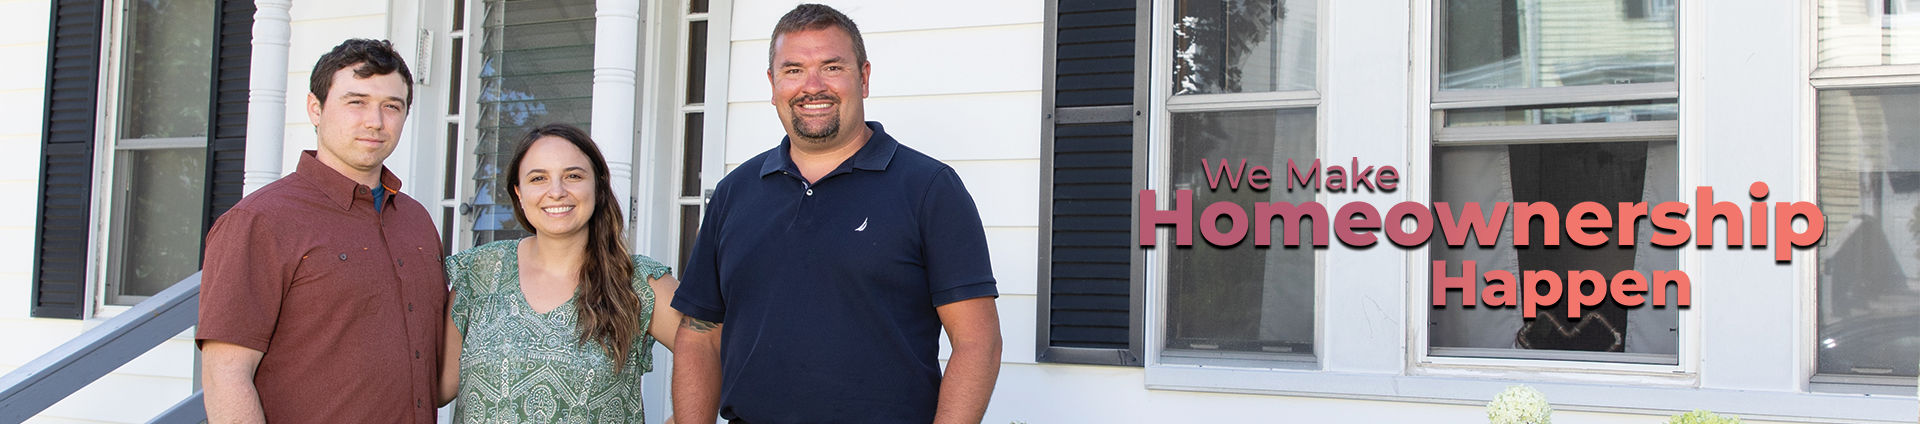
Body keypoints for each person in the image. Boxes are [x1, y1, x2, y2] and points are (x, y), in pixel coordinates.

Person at [671, 4, 1003, 423]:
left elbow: (977, 342)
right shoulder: (734, 193)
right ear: (772, 84)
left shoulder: (929, 189)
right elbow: (699, 335)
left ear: (863, 78)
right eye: (793, 70)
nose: (812, 86)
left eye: (831, 67)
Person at [198, 39, 445, 423]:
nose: (375, 121)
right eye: (356, 102)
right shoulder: (261, 221)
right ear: (316, 108)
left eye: (391, 106)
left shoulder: (416, 221)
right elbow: (225, 377)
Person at [436, 123, 684, 423]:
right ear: (518, 192)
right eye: (538, 178)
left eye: (573, 176)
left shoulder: (636, 282)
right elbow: (437, 387)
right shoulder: (480, 273)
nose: (556, 192)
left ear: (598, 187)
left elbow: (717, 352)